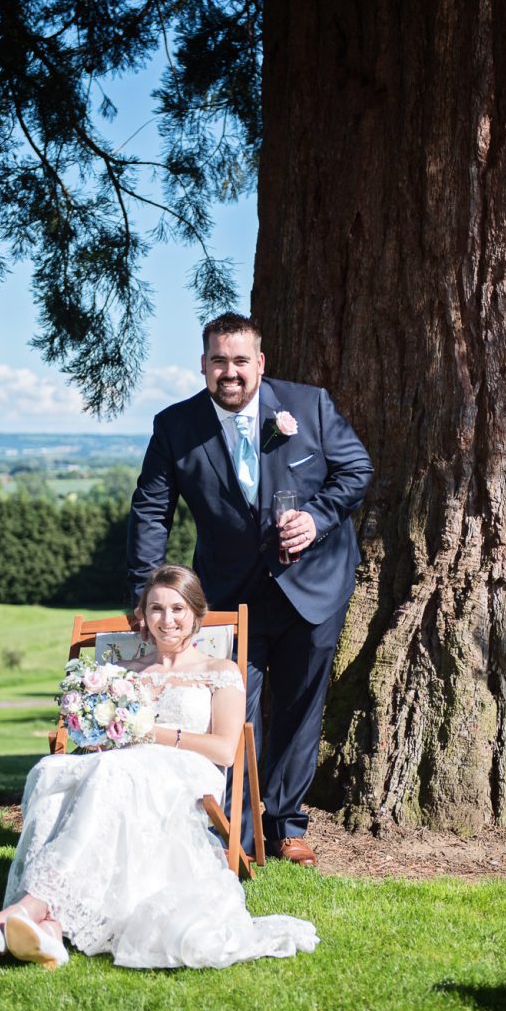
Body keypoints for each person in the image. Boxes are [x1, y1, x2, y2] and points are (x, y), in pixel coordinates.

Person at [0, 564, 318, 970]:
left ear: (195, 613)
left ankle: (32, 907)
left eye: (177, 609)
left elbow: (225, 751)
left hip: (188, 771)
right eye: (156, 609)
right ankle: (50, 928)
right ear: (143, 615)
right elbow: (99, 738)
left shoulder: (218, 672)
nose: (166, 620)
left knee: (111, 773)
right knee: (51, 770)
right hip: (125, 765)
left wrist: (153, 733)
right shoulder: (125, 675)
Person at [127, 313, 373, 867]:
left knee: (300, 709)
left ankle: (286, 824)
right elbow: (150, 510)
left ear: (260, 363)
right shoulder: (175, 426)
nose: (230, 372)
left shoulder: (308, 405)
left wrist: (317, 517)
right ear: (203, 365)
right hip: (227, 594)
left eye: (241, 361)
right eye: (219, 361)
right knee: (232, 713)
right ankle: (235, 833)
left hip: (313, 585)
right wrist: (147, 593)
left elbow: (355, 470)